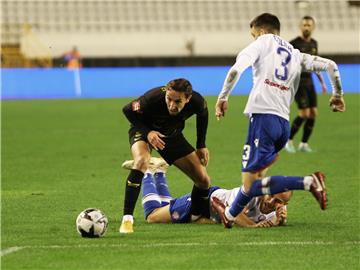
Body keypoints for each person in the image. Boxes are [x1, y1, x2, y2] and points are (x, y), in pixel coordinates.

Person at [213, 13, 345, 228]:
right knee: (256, 182)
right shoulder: (295, 53)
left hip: (263, 119)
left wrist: (223, 97)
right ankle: (229, 214)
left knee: (250, 184)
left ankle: (310, 182)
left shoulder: (261, 43)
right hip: (282, 124)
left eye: (253, 34)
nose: (253, 38)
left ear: (262, 31)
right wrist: (337, 94)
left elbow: (236, 70)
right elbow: (331, 65)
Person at [120, 78, 211, 233]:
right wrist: (148, 133)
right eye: (169, 99)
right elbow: (128, 109)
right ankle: (127, 219)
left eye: (177, 102)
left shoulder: (197, 101)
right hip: (143, 131)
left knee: (203, 180)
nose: (172, 105)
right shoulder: (152, 98)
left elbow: (203, 114)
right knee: (142, 160)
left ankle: (196, 216)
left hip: (171, 135)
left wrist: (201, 145)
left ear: (188, 99)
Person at [122, 158, 290, 228]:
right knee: (152, 216)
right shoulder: (250, 193)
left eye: (278, 201)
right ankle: (148, 172)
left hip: (209, 213)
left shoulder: (276, 211)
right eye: (272, 196)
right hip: (204, 201)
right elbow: (233, 213)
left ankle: (159, 171)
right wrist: (253, 227)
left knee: (166, 208)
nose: (272, 202)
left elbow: (270, 221)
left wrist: (278, 221)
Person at [285, 16, 328, 153]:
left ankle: (303, 144)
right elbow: (286, 64)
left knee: (313, 113)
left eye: (309, 25)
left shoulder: (314, 44)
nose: (306, 27)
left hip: (309, 82)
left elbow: (315, 64)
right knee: (304, 113)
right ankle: (288, 140)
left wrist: (322, 83)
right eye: (304, 25)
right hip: (298, 82)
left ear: (313, 27)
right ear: (300, 27)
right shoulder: (293, 44)